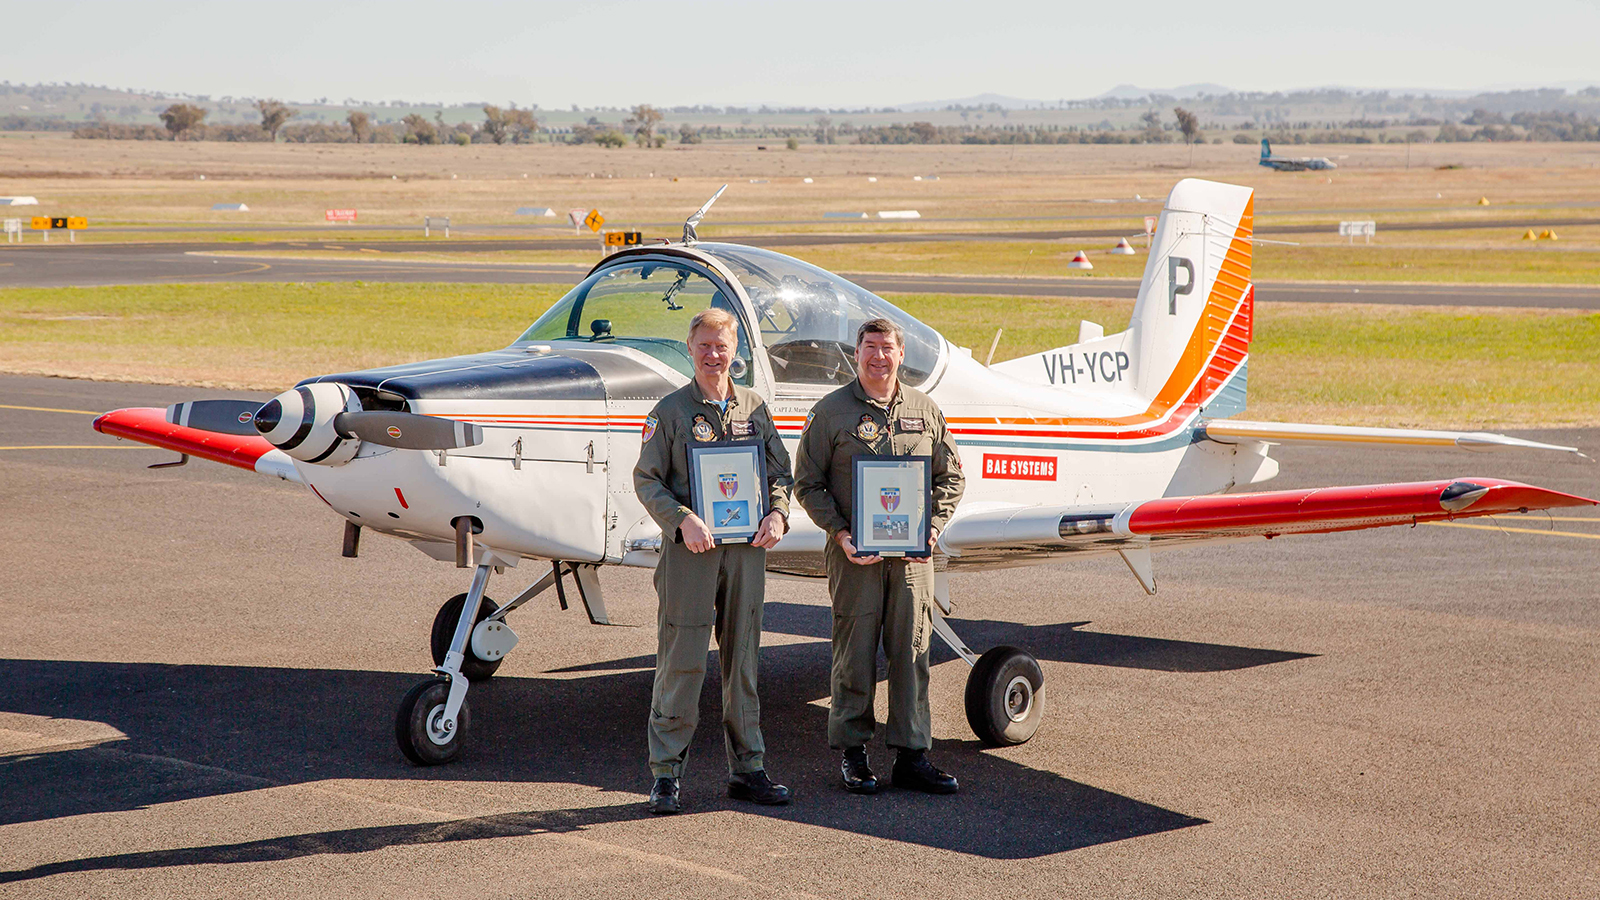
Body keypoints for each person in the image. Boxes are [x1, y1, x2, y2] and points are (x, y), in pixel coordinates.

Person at [793, 317, 965, 795]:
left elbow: (950, 478)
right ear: (857, 353)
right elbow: (807, 483)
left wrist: (931, 528)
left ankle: (913, 755)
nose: (878, 357)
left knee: (912, 651)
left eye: (887, 347)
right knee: (854, 653)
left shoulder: (925, 410)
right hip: (854, 556)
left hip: (913, 561)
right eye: (869, 347)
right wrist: (841, 532)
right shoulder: (830, 412)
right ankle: (854, 754)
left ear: (901, 353)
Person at [633, 307, 794, 814]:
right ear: (690, 348)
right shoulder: (671, 412)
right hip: (692, 554)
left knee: (743, 660)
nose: (712, 355)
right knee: (681, 661)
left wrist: (778, 515)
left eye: (721, 346)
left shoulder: (755, 407)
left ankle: (748, 768)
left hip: (746, 554)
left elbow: (779, 474)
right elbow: (646, 479)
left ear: (735, 353)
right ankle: (665, 774)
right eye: (703, 345)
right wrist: (681, 517)